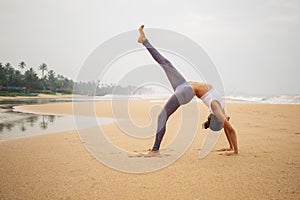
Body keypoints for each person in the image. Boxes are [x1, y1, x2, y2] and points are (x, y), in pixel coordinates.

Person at [138, 25, 238, 156]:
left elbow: (230, 129)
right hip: (184, 85)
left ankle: (155, 150)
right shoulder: (220, 110)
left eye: (223, 120)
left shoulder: (216, 108)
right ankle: (144, 41)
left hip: (187, 91)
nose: (227, 119)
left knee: (162, 115)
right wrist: (231, 147)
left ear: (217, 118)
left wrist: (235, 151)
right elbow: (227, 128)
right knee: (166, 63)